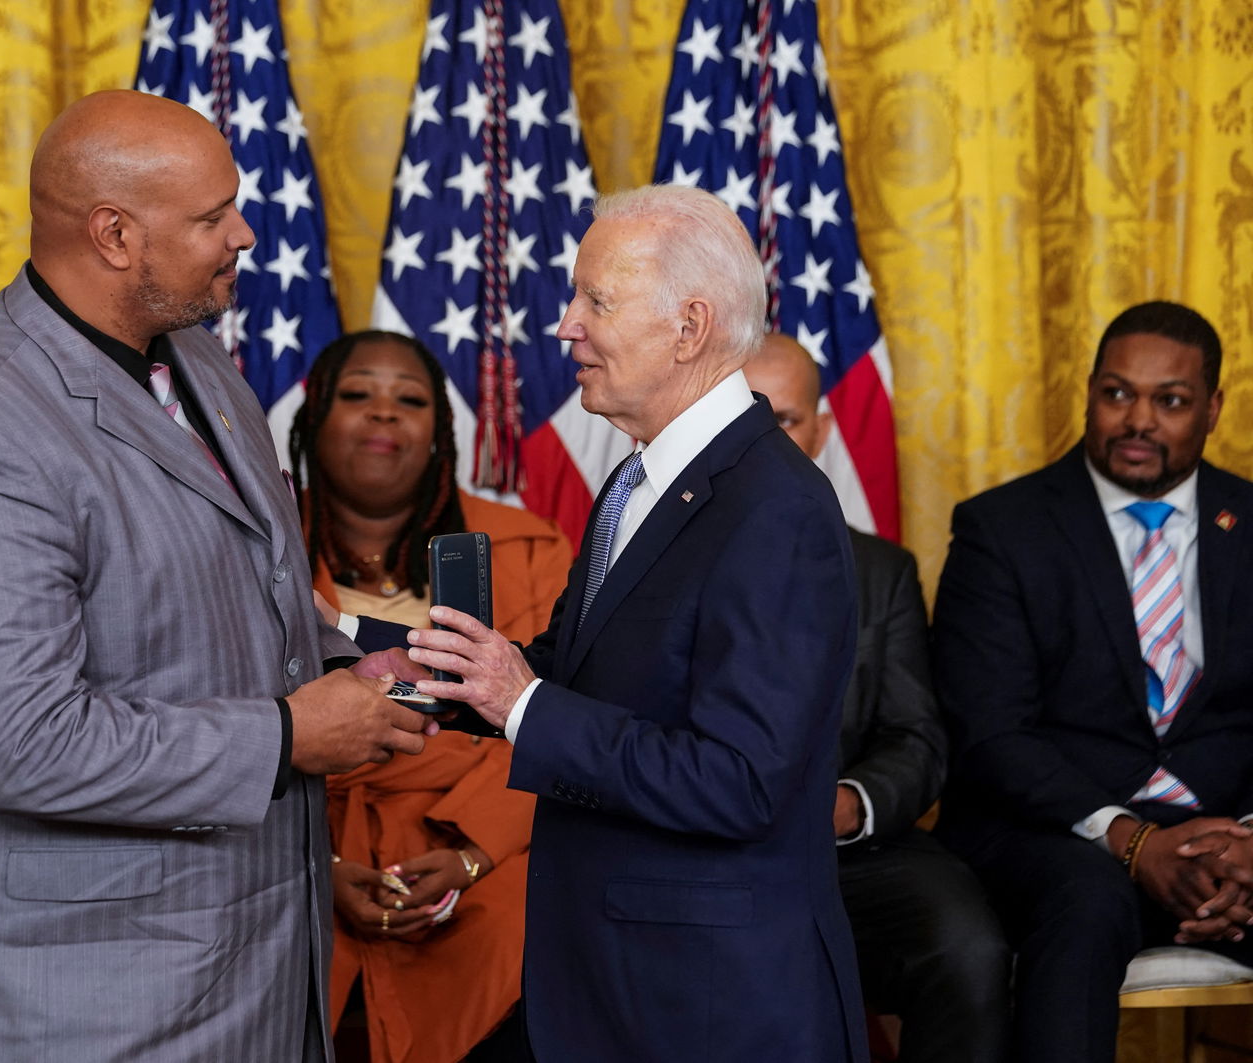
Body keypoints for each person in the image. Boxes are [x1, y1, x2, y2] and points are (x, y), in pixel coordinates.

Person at [0, 90, 432, 1062]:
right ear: (115, 234)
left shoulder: (201, 365)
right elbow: (22, 744)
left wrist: (352, 668)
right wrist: (294, 731)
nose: (245, 234)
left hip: (245, 974)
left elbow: (227, 596)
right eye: (212, 217)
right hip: (75, 1007)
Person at [396, 185, 867, 1062]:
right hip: (617, 983)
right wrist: (394, 661)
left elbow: (738, 782)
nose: (565, 325)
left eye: (595, 300)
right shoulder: (643, 480)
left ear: (689, 328)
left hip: (710, 1004)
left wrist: (522, 702)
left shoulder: (779, 511)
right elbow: (586, 673)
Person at [931, 300, 1253, 1063]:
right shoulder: (1001, 529)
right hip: (1060, 834)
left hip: (1225, 831)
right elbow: (990, 734)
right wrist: (1133, 839)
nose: (1137, 419)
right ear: (1089, 394)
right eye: (1117, 394)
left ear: (1211, 409)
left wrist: (1246, 850)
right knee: (1085, 904)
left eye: (1169, 400)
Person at [290, 329, 573, 1063]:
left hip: (490, 834)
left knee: (522, 931)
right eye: (357, 395)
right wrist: (320, 869)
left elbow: (560, 720)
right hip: (300, 833)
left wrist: (472, 853)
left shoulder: (528, 547)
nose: (383, 414)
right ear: (313, 416)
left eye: (409, 400)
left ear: (440, 430)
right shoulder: (258, 541)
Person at [748, 333, 1010, 1063]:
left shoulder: (882, 571)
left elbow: (917, 736)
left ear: (822, 431)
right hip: (708, 844)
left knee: (968, 945)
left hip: (846, 851)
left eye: (787, 421)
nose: (765, 442)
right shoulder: (655, 555)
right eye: (744, 418)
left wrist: (848, 804)